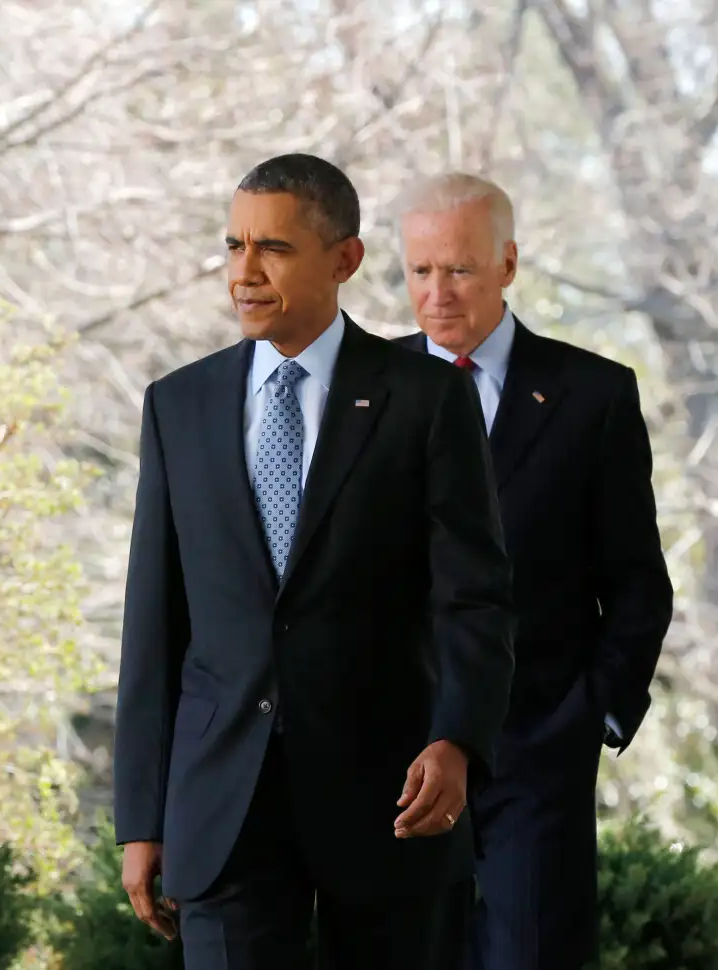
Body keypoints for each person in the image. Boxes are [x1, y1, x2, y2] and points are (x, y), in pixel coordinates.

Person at [113, 154, 515, 970]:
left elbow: (474, 598)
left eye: (275, 249)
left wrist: (458, 742)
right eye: (234, 247)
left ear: (345, 260)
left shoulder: (427, 398)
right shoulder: (177, 406)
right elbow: (154, 625)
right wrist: (141, 817)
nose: (246, 273)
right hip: (223, 809)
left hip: (392, 803)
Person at [393, 173, 673, 970]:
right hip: (395, 762)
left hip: (538, 752)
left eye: (461, 270)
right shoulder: (364, 392)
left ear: (508, 264)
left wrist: (591, 715)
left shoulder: (594, 395)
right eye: (420, 271)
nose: (437, 293)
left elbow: (636, 582)